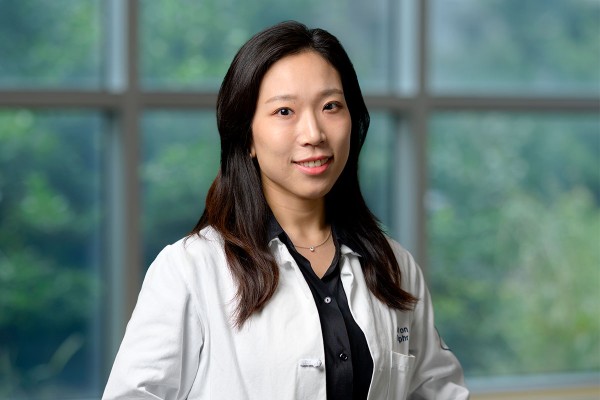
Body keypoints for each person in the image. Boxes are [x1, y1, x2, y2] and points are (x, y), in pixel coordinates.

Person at [102, 20, 469, 400]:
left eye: (330, 106)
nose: (313, 134)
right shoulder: (190, 269)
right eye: (284, 111)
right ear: (247, 136)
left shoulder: (394, 266)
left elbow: (441, 393)